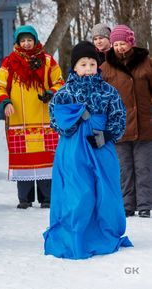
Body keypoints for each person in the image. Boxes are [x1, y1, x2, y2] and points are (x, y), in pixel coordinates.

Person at [44, 41, 133, 259]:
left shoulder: (108, 91)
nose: (88, 68)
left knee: (106, 192)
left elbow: (119, 116)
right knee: (79, 192)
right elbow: (56, 120)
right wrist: (76, 120)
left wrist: (108, 135)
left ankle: (105, 232)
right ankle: (76, 234)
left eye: (92, 64)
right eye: (83, 64)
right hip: (74, 150)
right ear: (74, 67)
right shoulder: (64, 93)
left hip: (101, 149)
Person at [0, 25, 64, 209]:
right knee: (22, 158)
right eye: (22, 40)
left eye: (29, 40)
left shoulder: (47, 61)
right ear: (18, 42)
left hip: (44, 119)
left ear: (35, 40)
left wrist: (51, 92)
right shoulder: (9, 62)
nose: (26, 43)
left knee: (46, 158)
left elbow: (60, 82)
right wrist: (6, 102)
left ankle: (46, 198)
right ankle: (24, 198)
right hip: (19, 119)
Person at [101, 25, 152, 218]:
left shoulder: (146, 63)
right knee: (124, 169)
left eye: (123, 43)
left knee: (144, 167)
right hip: (119, 127)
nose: (119, 47)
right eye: (116, 44)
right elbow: (101, 97)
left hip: (144, 126)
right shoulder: (105, 68)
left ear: (131, 43)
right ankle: (127, 205)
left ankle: (145, 205)